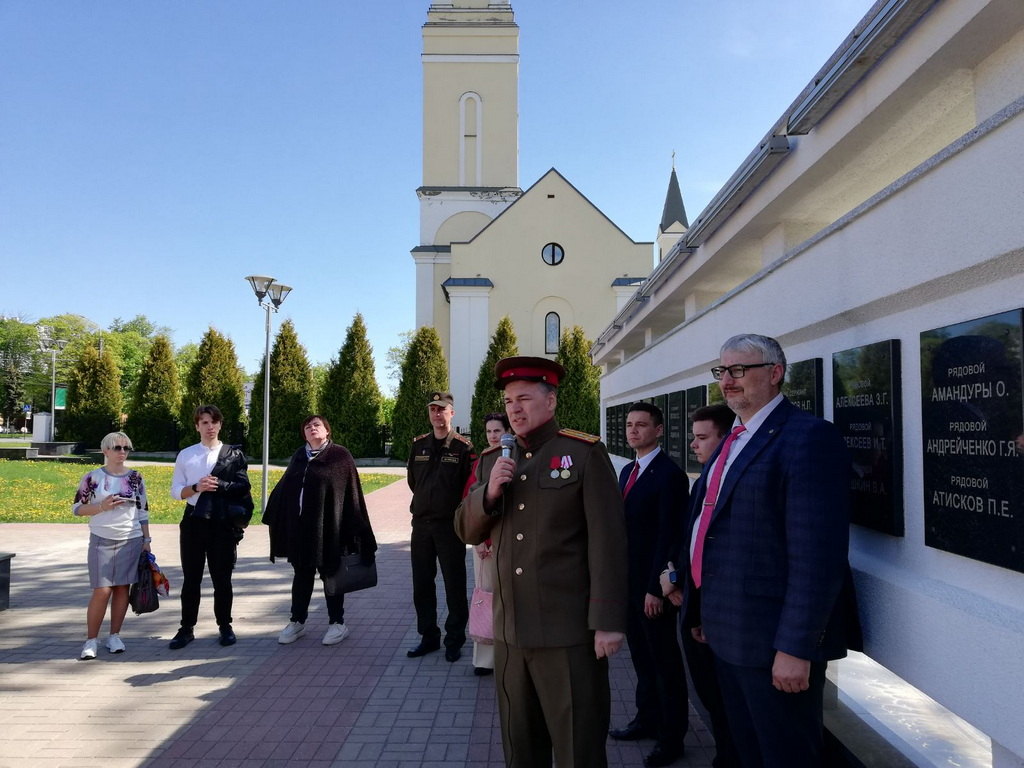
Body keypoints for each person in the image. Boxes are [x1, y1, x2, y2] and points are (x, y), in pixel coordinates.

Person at [681, 334, 855, 767]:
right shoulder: (732, 439)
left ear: (775, 373)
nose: (727, 380)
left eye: (739, 370)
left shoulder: (807, 438)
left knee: (785, 756)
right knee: (746, 753)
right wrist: (702, 610)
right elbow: (713, 532)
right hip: (726, 632)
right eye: (722, 371)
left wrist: (796, 647)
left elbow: (818, 556)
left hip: (773, 645)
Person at [455, 356, 628, 768]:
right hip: (511, 633)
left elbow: (608, 542)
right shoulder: (493, 459)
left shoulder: (582, 454)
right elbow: (464, 529)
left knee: (577, 748)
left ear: (550, 402)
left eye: (525, 398)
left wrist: (608, 621)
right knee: (521, 748)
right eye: (508, 401)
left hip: (567, 634)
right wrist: (489, 494)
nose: (514, 409)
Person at [609, 402, 689, 768]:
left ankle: (672, 738)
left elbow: (669, 537)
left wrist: (655, 590)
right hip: (629, 584)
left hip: (652, 588)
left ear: (658, 430)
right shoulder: (629, 470)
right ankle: (647, 719)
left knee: (664, 663)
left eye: (641, 425)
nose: (633, 430)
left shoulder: (669, 475)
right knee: (641, 658)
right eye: (629, 424)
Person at [662, 401, 738, 768]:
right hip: (695, 605)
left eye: (702, 438)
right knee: (711, 696)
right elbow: (690, 539)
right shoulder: (705, 478)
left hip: (717, 615)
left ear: (727, 440)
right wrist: (675, 578)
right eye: (693, 437)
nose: (693, 444)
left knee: (726, 704)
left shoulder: (727, 482)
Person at [264, 415, 377, 646]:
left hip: (330, 529)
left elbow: (351, 494)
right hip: (302, 531)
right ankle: (297, 621)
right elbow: (285, 488)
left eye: (317, 425)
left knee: (331, 573)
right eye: (307, 426)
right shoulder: (299, 456)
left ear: (327, 431)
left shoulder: (340, 456)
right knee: (301, 575)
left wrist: (357, 531)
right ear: (304, 434)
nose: (312, 428)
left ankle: (337, 623)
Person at [168, 404, 253, 649]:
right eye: (204, 422)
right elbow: (176, 491)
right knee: (191, 578)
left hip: (222, 522)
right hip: (194, 521)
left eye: (214, 422)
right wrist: (197, 487)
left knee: (222, 578)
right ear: (197, 426)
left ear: (220, 425)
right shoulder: (186, 454)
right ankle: (186, 628)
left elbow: (243, 486)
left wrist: (220, 485)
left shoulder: (233, 454)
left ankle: (225, 626)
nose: (210, 427)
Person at [407, 391, 475, 662]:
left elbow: (468, 487)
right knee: (422, 584)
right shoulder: (419, 445)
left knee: (454, 584)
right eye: (433, 409)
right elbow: (413, 481)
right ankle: (428, 636)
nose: (437, 414)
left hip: (449, 527)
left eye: (442, 409)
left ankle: (454, 640)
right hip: (421, 525)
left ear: (451, 413)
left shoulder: (463, 448)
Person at [72, 431, 151, 660]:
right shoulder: (92, 477)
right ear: (105, 450)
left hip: (131, 539)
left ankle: (114, 635)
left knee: (122, 588)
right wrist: (102, 507)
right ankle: (91, 640)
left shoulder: (136, 477)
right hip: (101, 538)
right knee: (102, 589)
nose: (122, 452)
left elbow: (143, 511)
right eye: (117, 448)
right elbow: (77, 508)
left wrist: (146, 540)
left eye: (126, 448)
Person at [465, 411, 510, 676]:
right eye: (489, 431)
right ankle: (484, 659)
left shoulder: (516, 458)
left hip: (510, 541)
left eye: (497, 431)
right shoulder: (483, 461)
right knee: (486, 595)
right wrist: (481, 539)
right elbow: (471, 502)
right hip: (485, 543)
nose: (493, 436)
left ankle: (508, 654)